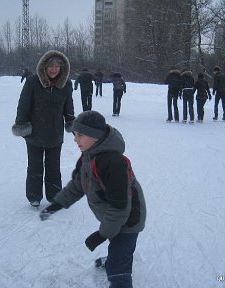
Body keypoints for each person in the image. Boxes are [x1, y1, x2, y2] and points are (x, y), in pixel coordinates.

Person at [39, 110, 146, 288]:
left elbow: (120, 208)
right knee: (116, 244)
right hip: (112, 216)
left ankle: (117, 270)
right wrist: (57, 204)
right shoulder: (89, 156)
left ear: (95, 136)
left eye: (80, 135)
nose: (75, 139)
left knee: (120, 261)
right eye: (75, 134)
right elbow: (78, 185)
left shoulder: (112, 163)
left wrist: (101, 234)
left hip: (129, 219)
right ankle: (113, 259)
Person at [12, 50, 75, 208]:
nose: (54, 69)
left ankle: (54, 196)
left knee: (54, 167)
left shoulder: (66, 84)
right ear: (44, 67)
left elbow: (69, 108)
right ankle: (34, 196)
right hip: (35, 134)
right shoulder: (33, 81)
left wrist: (72, 124)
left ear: (62, 68)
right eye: (51, 66)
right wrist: (22, 124)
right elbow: (24, 105)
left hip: (55, 134)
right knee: (35, 166)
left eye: (57, 66)